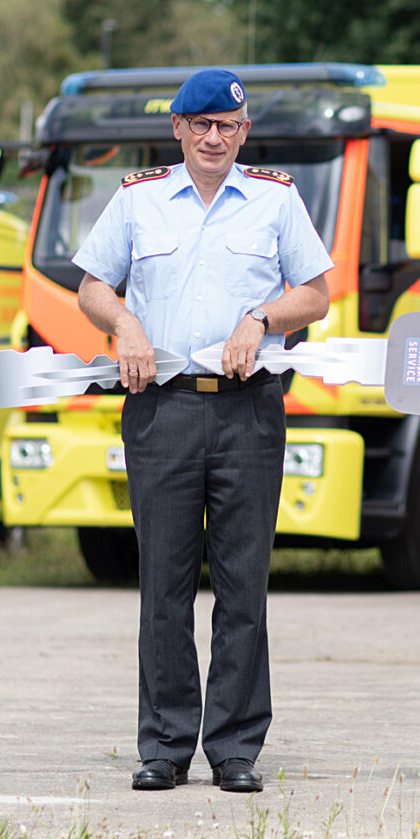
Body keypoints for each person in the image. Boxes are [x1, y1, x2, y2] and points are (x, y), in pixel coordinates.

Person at [72, 68, 333, 794]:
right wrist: (122, 321)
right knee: (163, 584)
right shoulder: (138, 199)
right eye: (201, 125)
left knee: (244, 584)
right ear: (179, 131)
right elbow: (92, 283)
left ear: (245, 133)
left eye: (229, 126)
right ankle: (163, 746)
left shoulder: (276, 201)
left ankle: (235, 748)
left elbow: (315, 291)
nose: (215, 137)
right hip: (163, 409)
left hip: (249, 409)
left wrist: (263, 318)